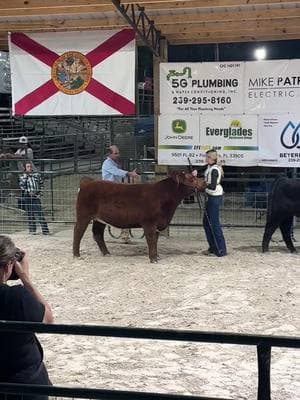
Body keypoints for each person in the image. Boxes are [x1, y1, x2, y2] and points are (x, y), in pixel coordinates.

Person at [0, 235, 54, 400]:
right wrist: (25, 278)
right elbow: (48, 319)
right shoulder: (16, 297)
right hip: (24, 386)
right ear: (9, 266)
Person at [101, 145, 139, 243]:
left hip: (114, 191)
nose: (118, 155)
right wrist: (130, 174)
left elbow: (118, 175)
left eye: (118, 152)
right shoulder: (107, 164)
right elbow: (117, 173)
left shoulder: (113, 163)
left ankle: (124, 235)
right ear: (109, 154)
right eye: (116, 153)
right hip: (110, 192)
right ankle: (124, 235)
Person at [200, 149, 227, 257]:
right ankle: (213, 247)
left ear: (211, 158)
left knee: (214, 223)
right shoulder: (210, 168)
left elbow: (213, 186)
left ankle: (221, 250)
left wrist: (202, 186)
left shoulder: (214, 170)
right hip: (211, 196)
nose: (206, 159)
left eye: (207, 157)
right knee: (207, 223)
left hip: (214, 197)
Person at [19, 162, 50, 235]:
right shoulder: (22, 177)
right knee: (30, 214)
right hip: (28, 196)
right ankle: (32, 230)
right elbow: (22, 187)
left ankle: (45, 230)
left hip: (36, 196)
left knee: (40, 214)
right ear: (25, 168)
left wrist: (39, 193)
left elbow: (41, 184)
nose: (29, 168)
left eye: (30, 166)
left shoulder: (37, 175)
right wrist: (28, 192)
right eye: (28, 167)